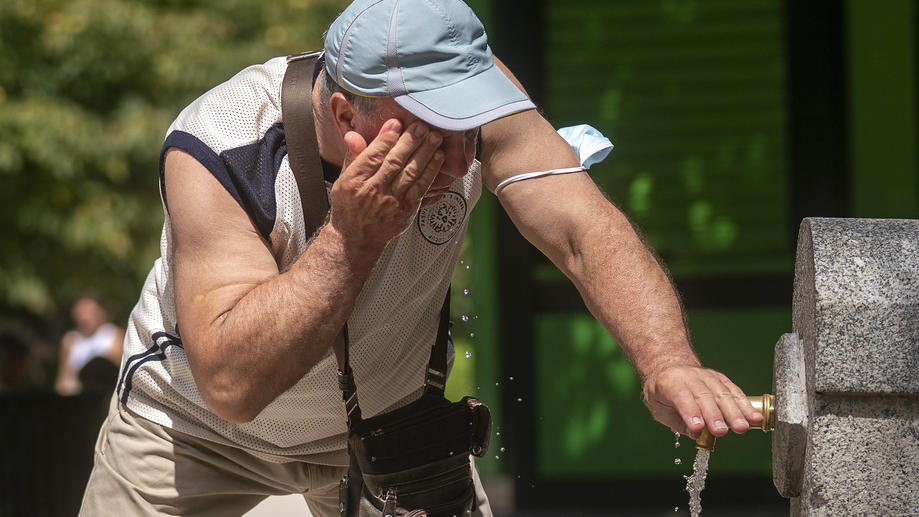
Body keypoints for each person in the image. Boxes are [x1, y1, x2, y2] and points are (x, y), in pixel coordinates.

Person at [80, 0, 763, 515]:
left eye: (472, 129)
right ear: (346, 115)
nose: (467, 159)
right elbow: (233, 385)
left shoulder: (474, 105)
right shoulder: (219, 145)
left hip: (391, 431)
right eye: (437, 134)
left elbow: (586, 229)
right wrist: (352, 240)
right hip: (193, 437)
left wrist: (667, 362)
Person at [54, 294, 124, 395]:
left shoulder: (114, 335)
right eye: (81, 313)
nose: (84, 317)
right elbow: (62, 378)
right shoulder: (70, 340)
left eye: (89, 312)